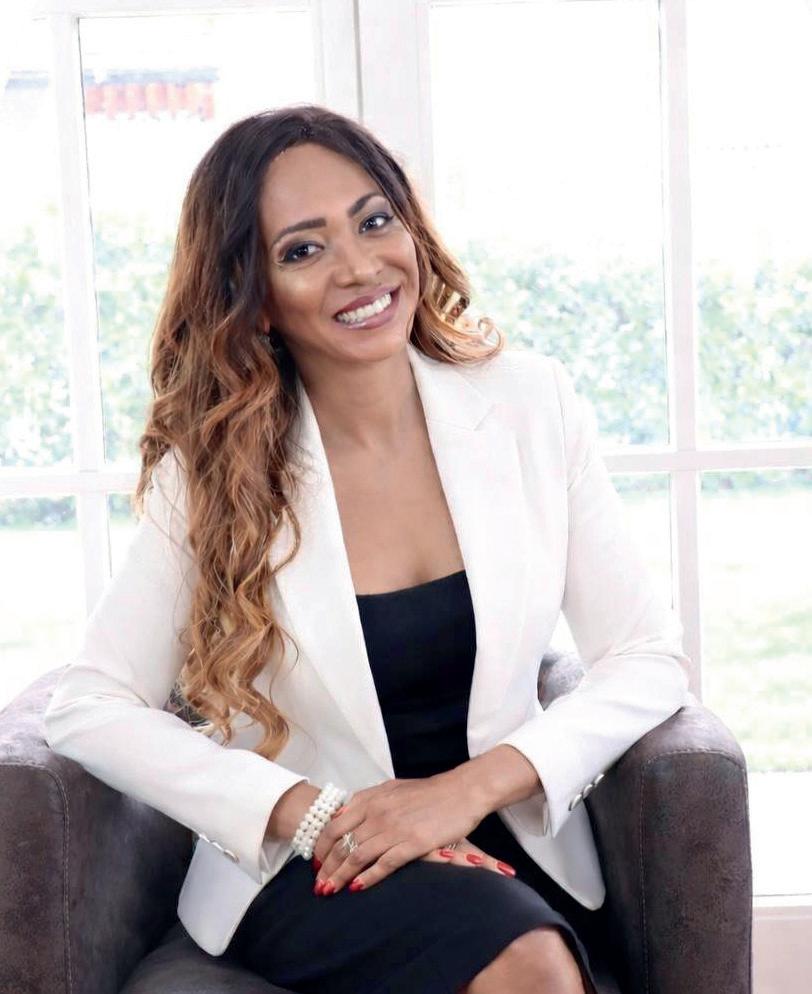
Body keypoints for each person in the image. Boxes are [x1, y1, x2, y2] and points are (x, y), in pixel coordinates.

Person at [43, 104, 693, 994]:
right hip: (318, 861)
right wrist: (307, 813)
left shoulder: (530, 405)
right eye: (302, 250)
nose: (358, 267)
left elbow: (647, 657)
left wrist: (467, 792)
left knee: (527, 948)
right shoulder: (212, 472)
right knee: (529, 965)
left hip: (504, 835)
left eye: (375, 220)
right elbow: (88, 705)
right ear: (254, 299)